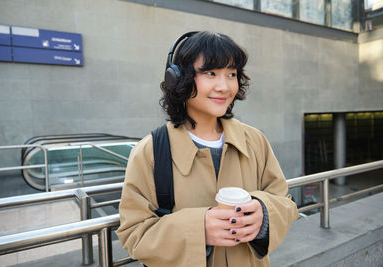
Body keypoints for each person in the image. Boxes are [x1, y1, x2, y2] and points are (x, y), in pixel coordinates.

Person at [116, 31, 298, 267]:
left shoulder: (255, 140)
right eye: (210, 73)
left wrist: (264, 213)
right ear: (178, 78)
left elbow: (284, 201)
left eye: (231, 74)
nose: (223, 86)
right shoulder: (150, 151)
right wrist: (198, 229)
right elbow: (134, 234)